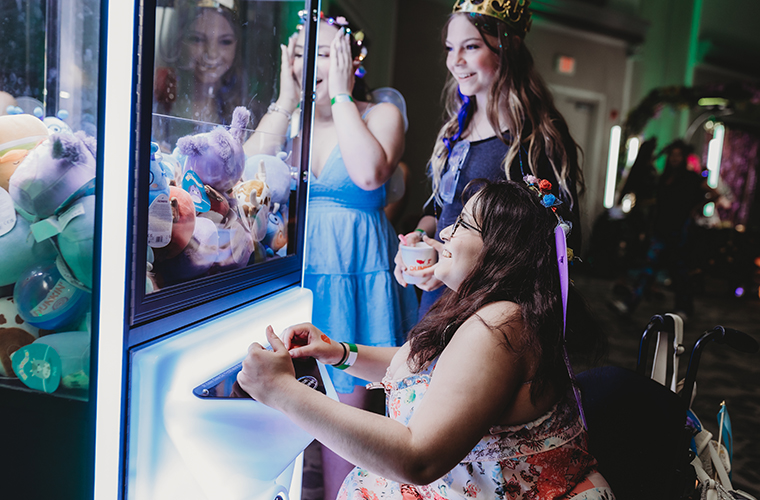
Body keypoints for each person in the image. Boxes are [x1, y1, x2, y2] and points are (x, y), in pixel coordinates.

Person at [237, 179, 613, 500]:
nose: (446, 232)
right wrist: (339, 352)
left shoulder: (500, 326)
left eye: (463, 224)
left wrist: (282, 391)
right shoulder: (495, 310)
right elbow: (430, 372)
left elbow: (419, 458)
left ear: (501, 252)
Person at [244, 12, 418, 499]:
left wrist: (339, 95)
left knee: (343, 423)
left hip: (355, 272)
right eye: (301, 52)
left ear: (349, 58)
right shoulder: (289, 117)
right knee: (286, 420)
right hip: (297, 272)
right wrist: (285, 99)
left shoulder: (379, 113)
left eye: (324, 52)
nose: (310, 63)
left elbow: (368, 175)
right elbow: (247, 171)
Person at [394, 0, 584, 320]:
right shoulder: (455, 129)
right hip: (437, 299)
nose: (455, 61)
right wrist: (419, 237)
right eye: (450, 48)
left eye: (471, 46)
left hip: (488, 311)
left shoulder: (537, 137)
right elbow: (440, 210)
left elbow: (552, 243)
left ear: (506, 48)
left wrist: (455, 258)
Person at [610, 139, 725, 318]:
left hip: (679, 232)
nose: (674, 159)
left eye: (678, 155)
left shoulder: (691, 177)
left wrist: (696, 208)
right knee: (648, 269)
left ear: (684, 157)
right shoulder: (665, 177)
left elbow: (715, 193)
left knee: (679, 271)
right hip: (661, 230)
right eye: (672, 155)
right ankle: (629, 304)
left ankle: (683, 308)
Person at [153, 0, 246, 147]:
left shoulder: (246, 110)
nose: (211, 53)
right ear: (179, 42)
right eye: (197, 40)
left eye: (225, 42)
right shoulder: (159, 100)